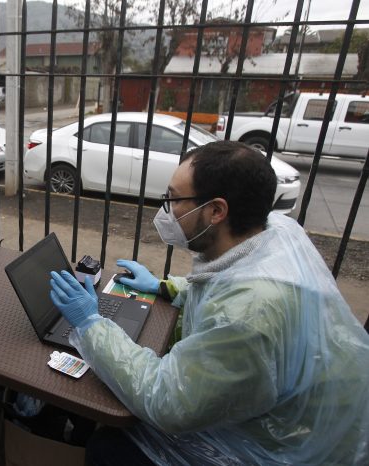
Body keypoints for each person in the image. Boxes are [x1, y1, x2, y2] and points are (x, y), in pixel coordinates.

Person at [49, 141, 369, 465]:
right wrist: (168, 286)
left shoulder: (246, 315)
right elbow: (228, 283)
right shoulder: (273, 232)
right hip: (299, 420)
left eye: (173, 198)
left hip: (285, 451)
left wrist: (91, 325)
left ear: (216, 211)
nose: (166, 210)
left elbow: (167, 401)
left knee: (108, 448)